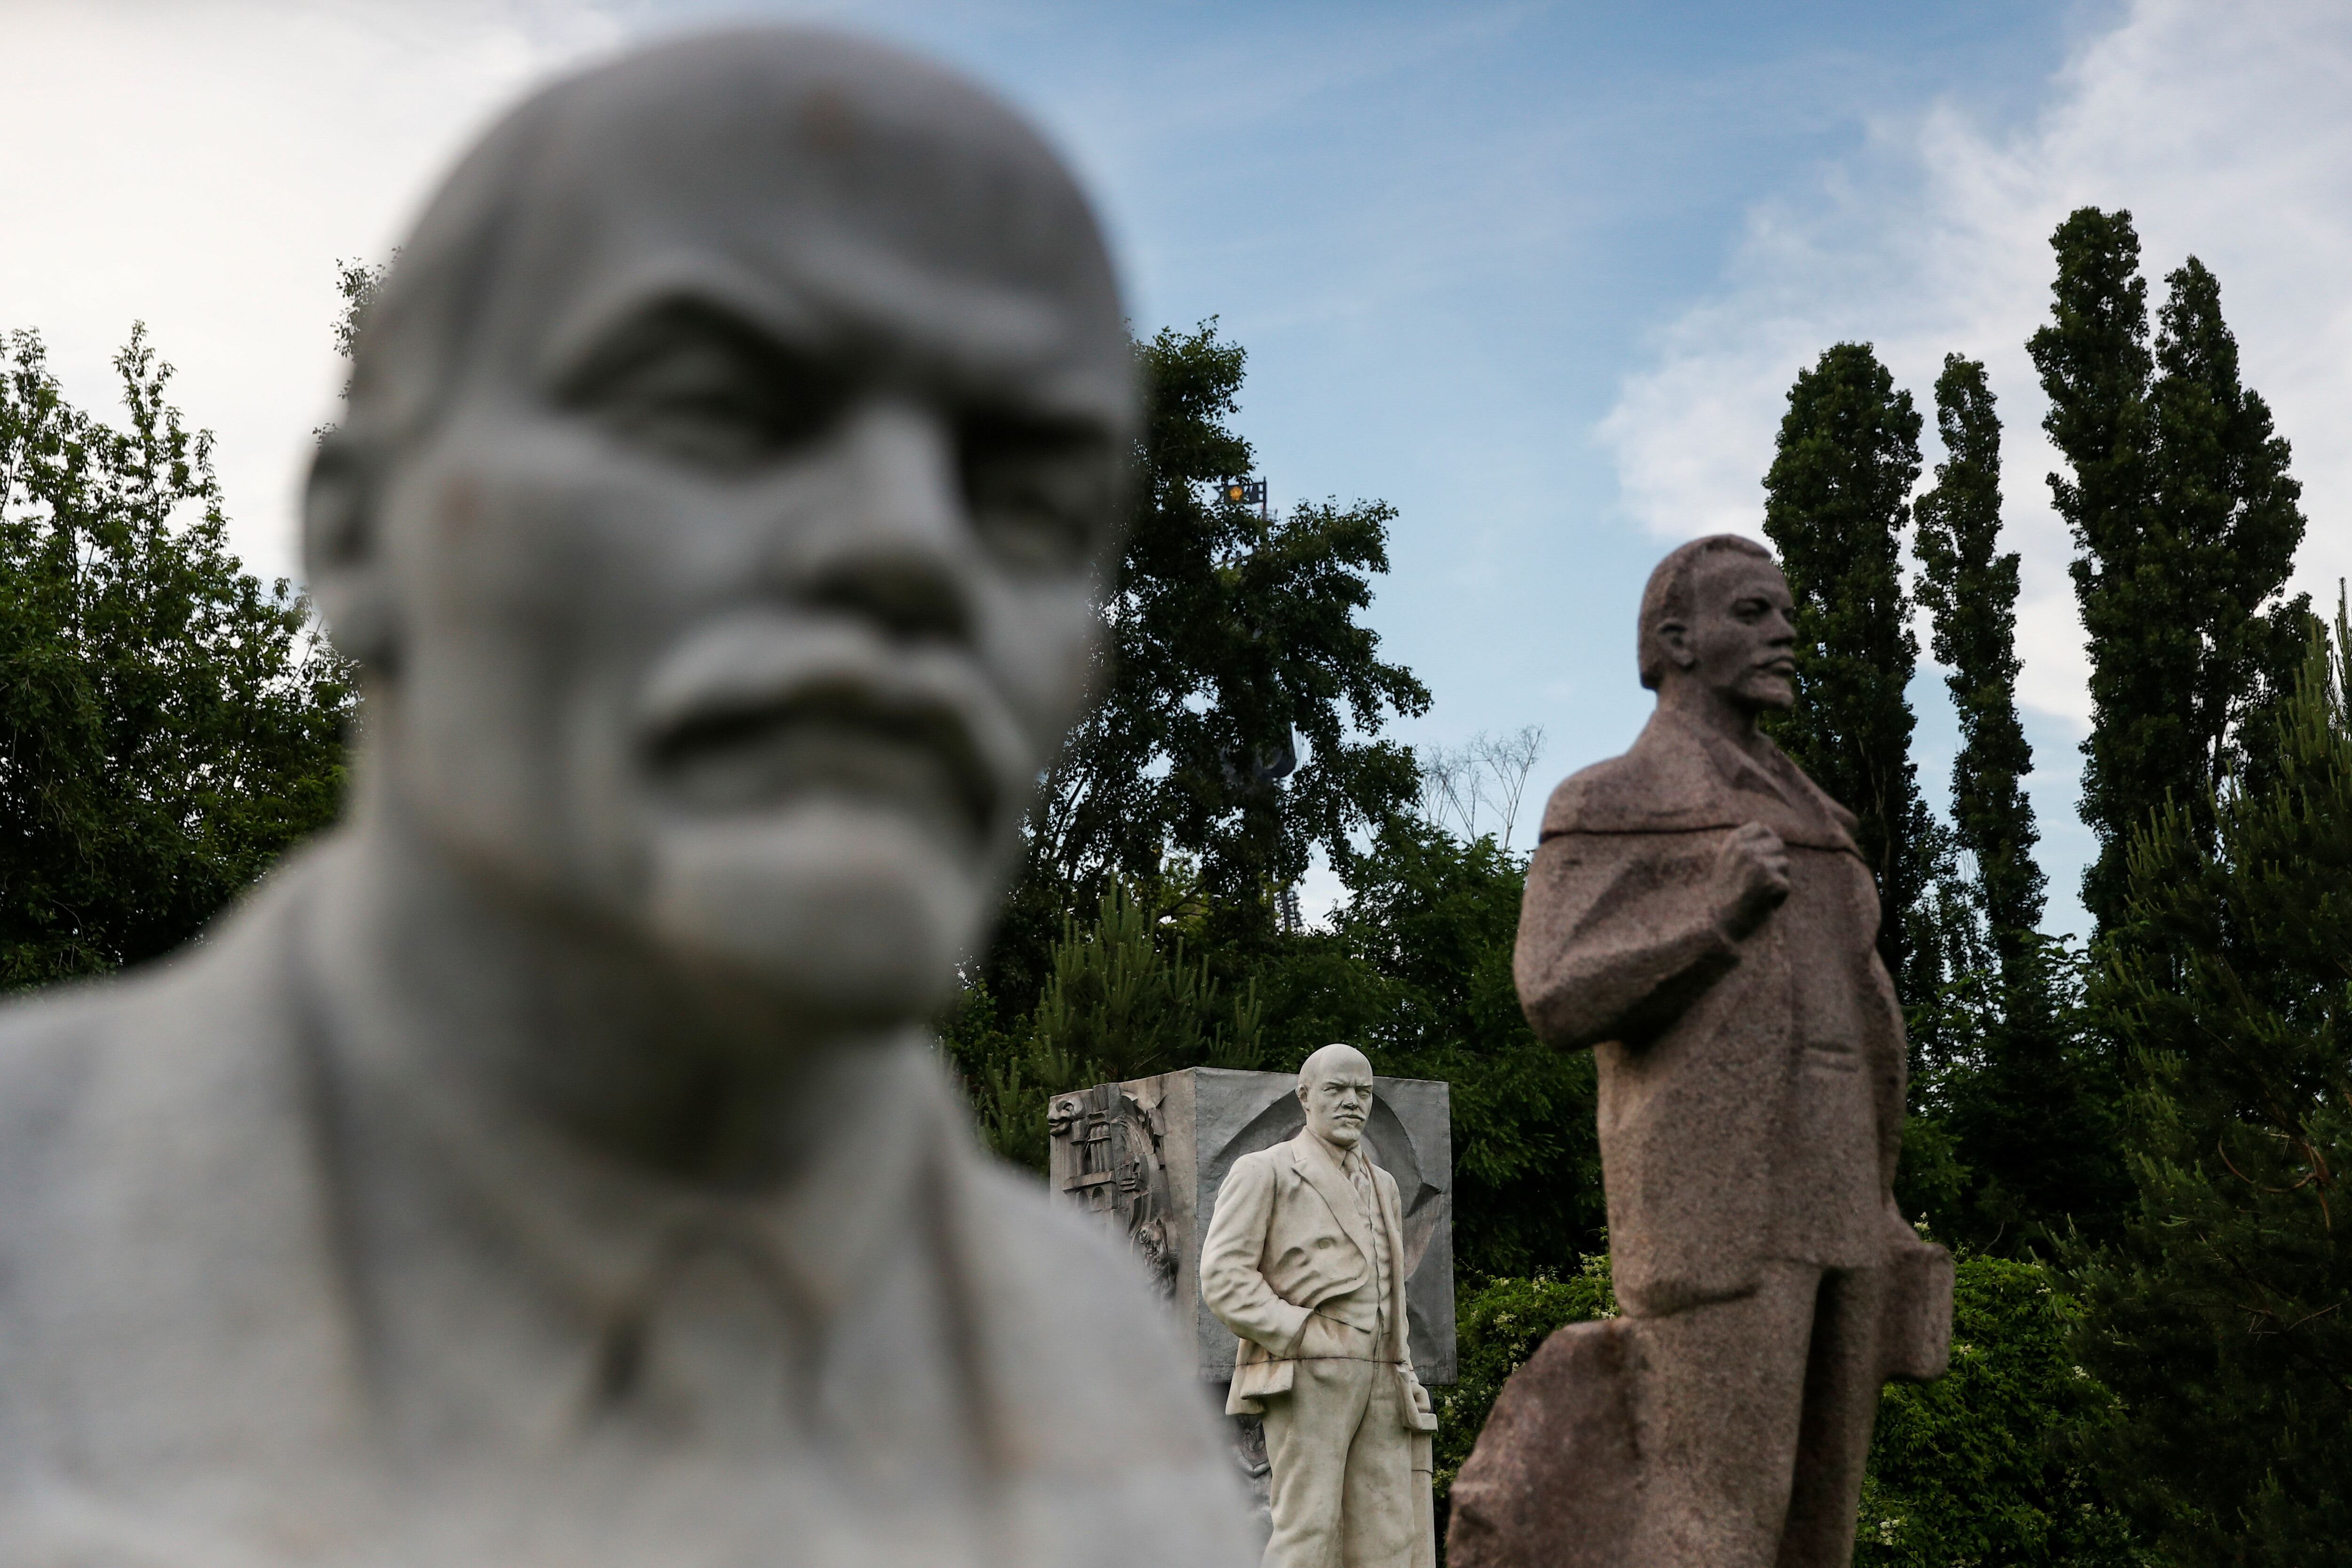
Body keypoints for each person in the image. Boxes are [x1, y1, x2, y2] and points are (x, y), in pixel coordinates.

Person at [0, 29, 1250, 1566]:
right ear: (357, 530)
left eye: (1033, 497)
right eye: (716, 407)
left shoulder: (1107, 1362)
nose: (910, 549)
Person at [1506, 535, 1949, 1568]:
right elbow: (1554, 995)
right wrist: (1711, 919)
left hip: (1844, 1200)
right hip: (1717, 1205)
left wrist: (1886, 1207)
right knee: (1712, 1515)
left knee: (1817, 1527)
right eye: (1752, 612)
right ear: (1674, 640)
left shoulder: (1821, 821)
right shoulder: (1611, 802)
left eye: (1784, 612)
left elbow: (1862, 1018)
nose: (1785, 632)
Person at [1200, 1044, 1439, 1568]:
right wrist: (1300, 1335)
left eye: (1363, 1092)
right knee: (1309, 1529)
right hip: (1307, 1371)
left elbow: (1389, 1285)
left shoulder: (1385, 1186)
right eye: (1336, 1090)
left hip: (1381, 1374)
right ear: (1305, 1097)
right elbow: (1223, 1277)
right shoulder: (1264, 1170)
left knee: (1389, 1531)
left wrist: (1403, 1368)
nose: (1352, 1102)